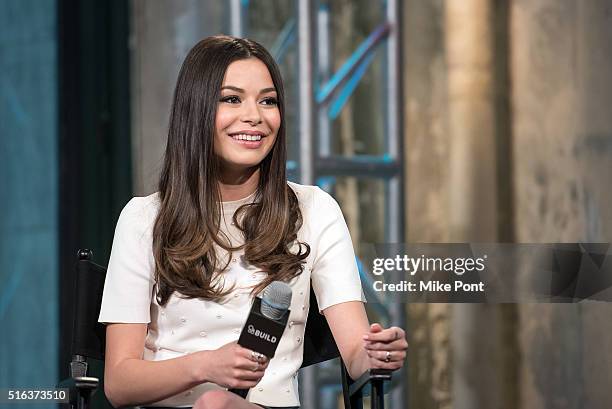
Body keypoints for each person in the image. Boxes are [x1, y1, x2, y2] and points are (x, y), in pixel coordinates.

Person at [98, 35, 408, 409]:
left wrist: (377, 356)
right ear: (195, 110)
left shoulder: (314, 210)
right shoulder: (144, 219)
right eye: (232, 99)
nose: (255, 116)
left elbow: (358, 357)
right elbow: (119, 383)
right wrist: (205, 365)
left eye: (268, 101)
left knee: (218, 405)